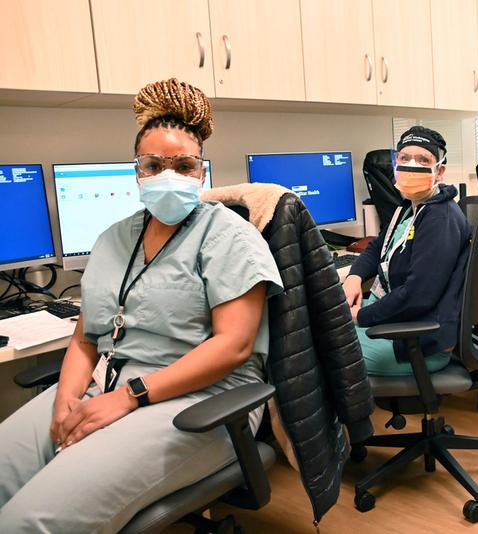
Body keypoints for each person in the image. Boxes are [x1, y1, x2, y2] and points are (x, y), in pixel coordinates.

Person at [0, 78, 282, 532]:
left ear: (202, 173)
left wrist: (129, 398)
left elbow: (233, 347)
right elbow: (86, 337)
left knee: (31, 522)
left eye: (184, 165)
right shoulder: (114, 238)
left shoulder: (230, 237)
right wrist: (67, 400)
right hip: (106, 385)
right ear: (137, 172)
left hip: (204, 403)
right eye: (154, 164)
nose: (168, 175)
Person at [343, 126, 471, 376]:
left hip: (416, 339)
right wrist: (354, 277)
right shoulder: (408, 208)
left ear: (440, 171)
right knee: (316, 334)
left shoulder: (439, 218)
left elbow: (417, 295)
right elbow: (379, 246)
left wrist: (362, 316)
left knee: (318, 354)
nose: (411, 165)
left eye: (423, 160)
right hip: (394, 320)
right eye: (404, 158)